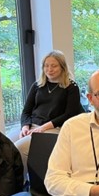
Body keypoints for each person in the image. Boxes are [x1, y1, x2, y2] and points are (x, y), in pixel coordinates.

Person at [15, 50, 83, 178]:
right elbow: (26, 111)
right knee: (5, 145)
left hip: (55, 128)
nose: (49, 69)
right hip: (33, 125)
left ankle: (20, 183)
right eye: (46, 65)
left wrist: (43, 128)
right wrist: (25, 126)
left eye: (54, 66)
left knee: (19, 149)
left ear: (62, 67)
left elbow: (70, 114)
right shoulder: (37, 85)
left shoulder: (71, 87)